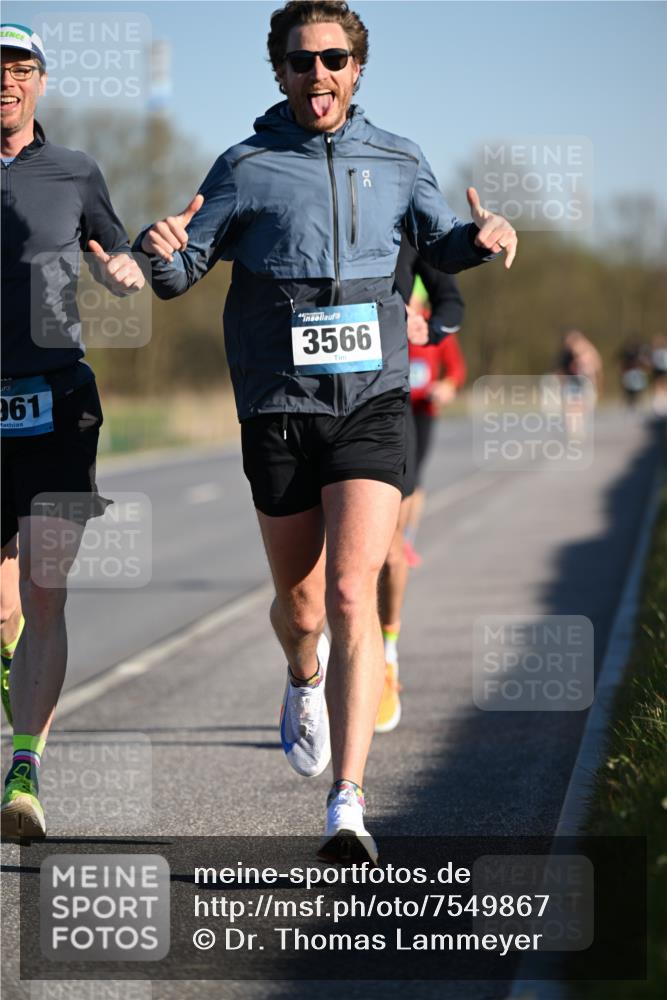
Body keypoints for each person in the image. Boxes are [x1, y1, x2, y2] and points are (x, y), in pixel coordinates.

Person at [137, 0, 517, 864]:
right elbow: (179, 272)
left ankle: (346, 804)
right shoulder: (246, 165)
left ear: (357, 68)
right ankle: (301, 676)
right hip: (277, 407)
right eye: (302, 62)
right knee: (302, 608)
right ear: (279, 71)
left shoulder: (397, 156)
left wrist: (479, 236)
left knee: (351, 594)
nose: (320, 76)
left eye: (334, 60)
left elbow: (439, 243)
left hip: (373, 402)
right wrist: (161, 249)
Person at [1, 23, 145, 842]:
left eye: (19, 68)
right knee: (1, 613)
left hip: (57, 402)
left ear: (40, 83)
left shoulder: (75, 171)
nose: (5, 82)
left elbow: (112, 247)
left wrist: (119, 269)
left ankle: (25, 765)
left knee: (44, 592)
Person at [376, 235, 466, 733]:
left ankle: (385, 656)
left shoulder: (406, 221)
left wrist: (428, 328)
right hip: (312, 405)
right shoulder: (300, 199)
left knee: (388, 549)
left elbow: (452, 302)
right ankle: (308, 670)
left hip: (392, 410)